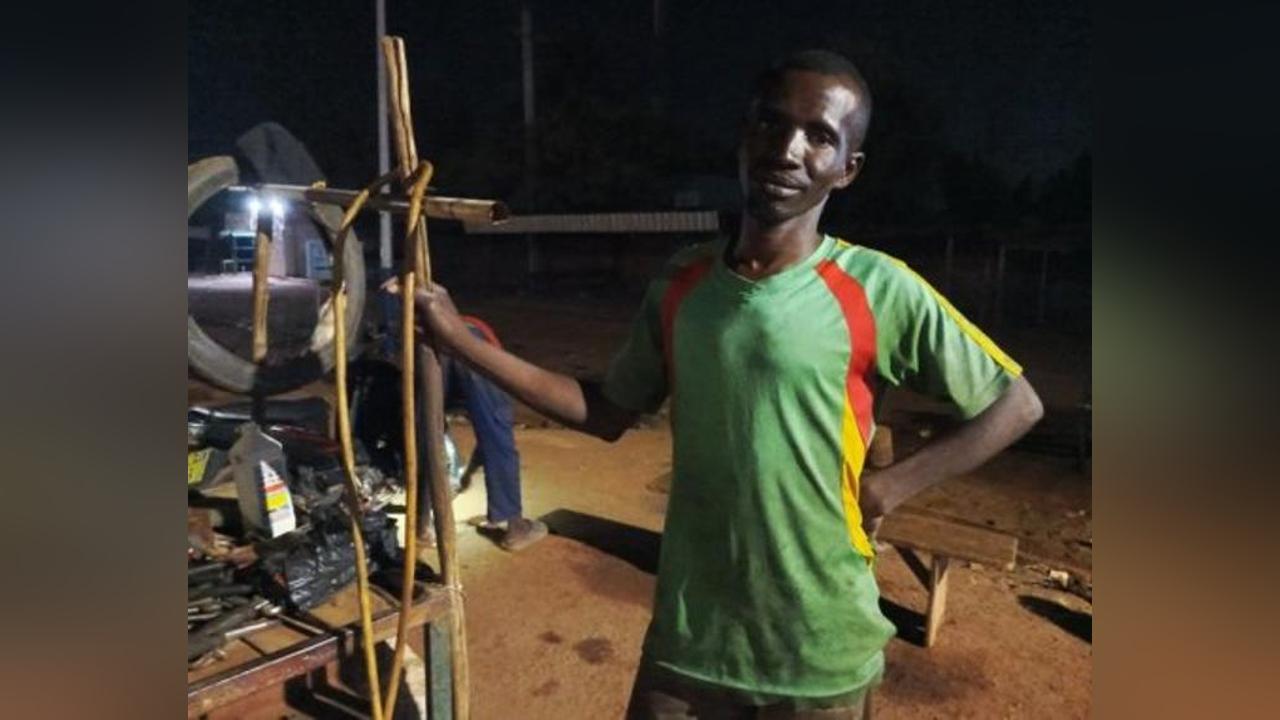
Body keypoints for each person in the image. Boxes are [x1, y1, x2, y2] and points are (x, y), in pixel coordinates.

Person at [391, 49, 1043, 719]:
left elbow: (1016, 405)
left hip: (819, 653)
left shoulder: (879, 288)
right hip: (689, 643)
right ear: (744, 135)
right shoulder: (682, 283)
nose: (787, 150)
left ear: (848, 168)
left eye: (820, 136)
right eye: (771, 123)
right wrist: (460, 341)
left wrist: (889, 487)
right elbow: (606, 411)